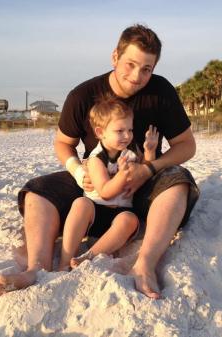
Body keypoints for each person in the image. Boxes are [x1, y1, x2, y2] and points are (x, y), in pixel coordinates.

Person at [0, 23, 199, 300]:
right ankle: (37, 268)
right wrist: (78, 171)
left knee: (179, 180)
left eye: (147, 69)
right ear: (115, 56)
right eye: (130, 64)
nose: (137, 76)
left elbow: (186, 145)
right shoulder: (83, 95)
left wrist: (149, 168)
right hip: (93, 186)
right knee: (37, 189)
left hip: (143, 189)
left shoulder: (161, 92)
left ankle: (145, 264)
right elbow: (63, 143)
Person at [57, 95, 159, 271]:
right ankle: (65, 262)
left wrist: (150, 150)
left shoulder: (130, 151)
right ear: (100, 132)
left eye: (130, 130)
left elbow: (145, 169)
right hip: (96, 213)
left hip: (121, 214)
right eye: (120, 131)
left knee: (130, 220)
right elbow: (104, 191)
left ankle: (89, 257)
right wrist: (121, 175)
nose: (127, 135)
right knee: (80, 204)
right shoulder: (96, 159)